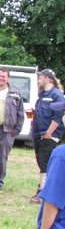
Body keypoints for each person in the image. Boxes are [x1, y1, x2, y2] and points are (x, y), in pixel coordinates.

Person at [30, 69, 65, 204]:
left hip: (49, 136)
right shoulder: (42, 95)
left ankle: (43, 196)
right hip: (39, 134)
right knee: (42, 164)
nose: (39, 80)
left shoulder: (56, 95)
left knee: (45, 164)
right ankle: (42, 190)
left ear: (47, 79)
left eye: (40, 78)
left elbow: (59, 115)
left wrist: (49, 133)